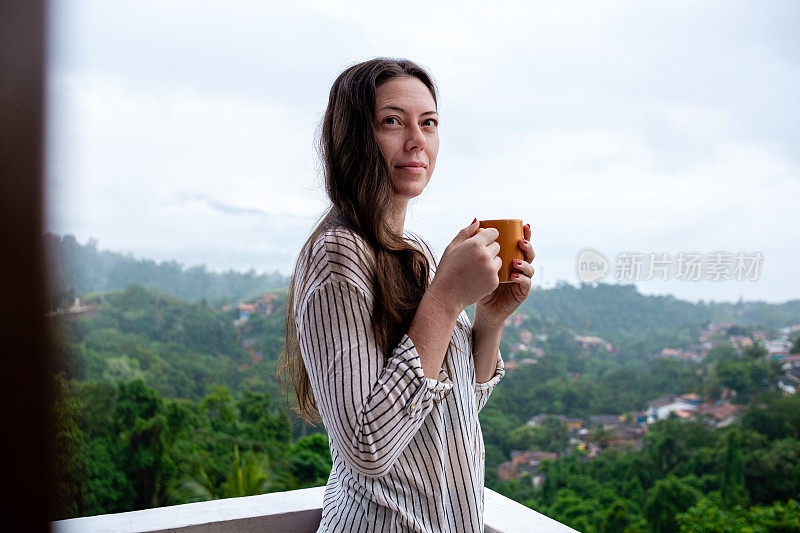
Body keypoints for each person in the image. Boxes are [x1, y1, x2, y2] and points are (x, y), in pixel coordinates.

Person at [278, 58, 535, 532]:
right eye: (392, 121)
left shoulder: (413, 251)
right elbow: (368, 447)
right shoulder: (339, 253)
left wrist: (489, 319)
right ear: (353, 136)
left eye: (429, 123)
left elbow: (448, 406)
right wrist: (445, 298)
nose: (417, 141)